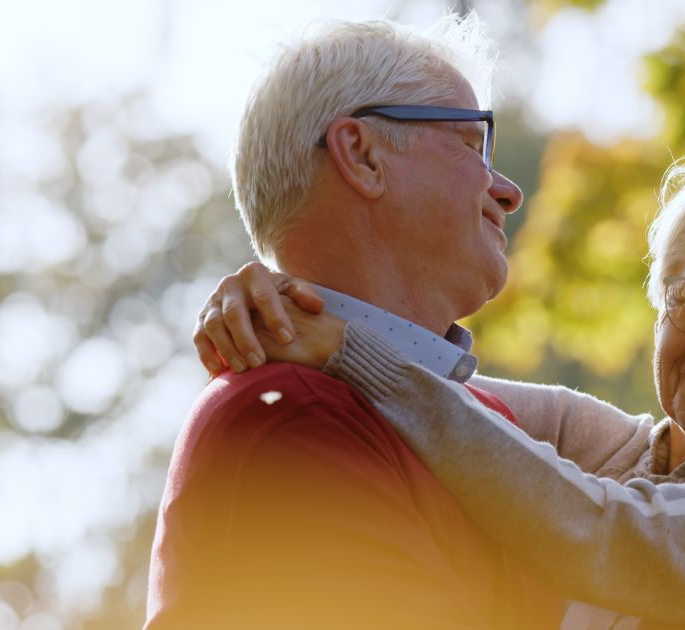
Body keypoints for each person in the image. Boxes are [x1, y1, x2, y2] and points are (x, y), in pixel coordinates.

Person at [197, 134, 685, 629]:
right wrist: (278, 306)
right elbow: (429, 386)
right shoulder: (608, 452)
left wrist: (350, 350)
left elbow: (610, 533)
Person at [146, 15, 564, 630]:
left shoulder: (477, 419)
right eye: (473, 145)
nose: (507, 191)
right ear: (362, 155)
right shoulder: (286, 417)